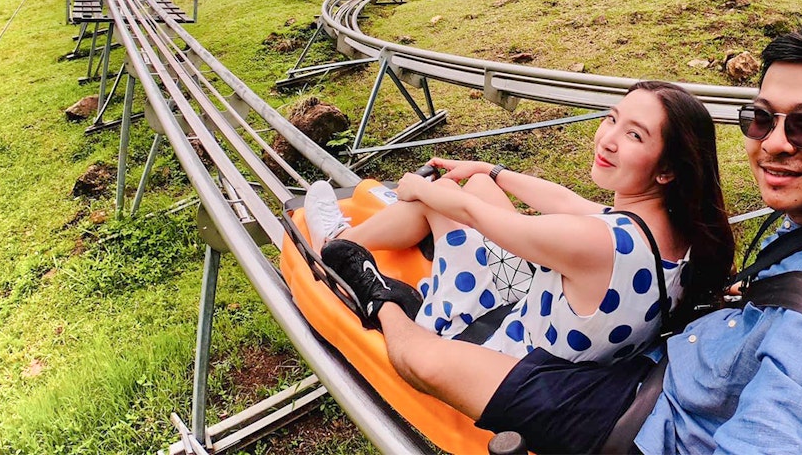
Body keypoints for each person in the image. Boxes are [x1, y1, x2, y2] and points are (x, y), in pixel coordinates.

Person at [305, 81, 735, 448]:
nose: (608, 139)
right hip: (557, 347)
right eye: (612, 118)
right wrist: (491, 171)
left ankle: (337, 242)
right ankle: (369, 230)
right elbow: (569, 202)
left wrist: (415, 186)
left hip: (490, 353)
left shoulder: (598, 242)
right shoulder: (681, 236)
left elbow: (475, 215)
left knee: (444, 204)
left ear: (666, 171)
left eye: (635, 136)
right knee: (474, 184)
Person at [632, 25, 802, 453]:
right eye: (761, 119)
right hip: (679, 375)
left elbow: (784, 423)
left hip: (661, 424)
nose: (773, 144)